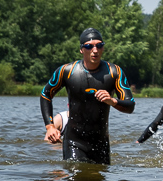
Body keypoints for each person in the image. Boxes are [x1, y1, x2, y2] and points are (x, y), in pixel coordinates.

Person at [40, 28, 136, 164]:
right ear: (81, 49)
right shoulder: (67, 71)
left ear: (103, 48)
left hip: (100, 143)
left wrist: (113, 101)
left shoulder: (114, 72)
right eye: (89, 46)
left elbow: (130, 105)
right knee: (78, 176)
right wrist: (49, 127)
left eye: (99, 45)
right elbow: (45, 94)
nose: (95, 50)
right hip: (74, 141)